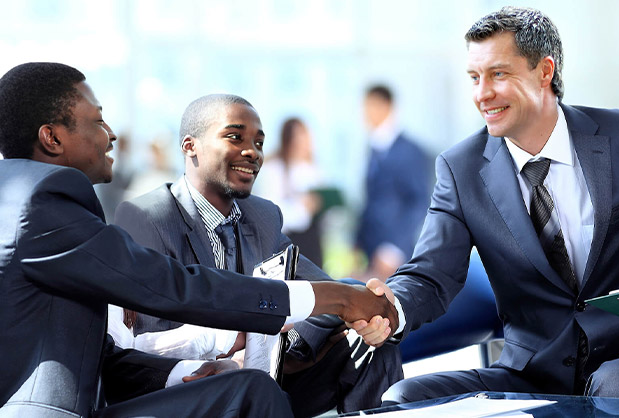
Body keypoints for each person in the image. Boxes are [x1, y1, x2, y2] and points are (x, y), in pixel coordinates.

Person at [356, 6, 619, 404]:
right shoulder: (460, 170)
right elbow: (431, 274)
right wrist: (391, 308)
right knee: (405, 396)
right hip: (528, 371)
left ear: (544, 72)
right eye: (475, 78)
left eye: (498, 74)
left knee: (616, 388)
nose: (482, 94)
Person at [0, 62, 397, 418]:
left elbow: (106, 350)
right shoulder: (46, 202)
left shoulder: (30, 200)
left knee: (341, 358)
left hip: (162, 382)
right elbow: (173, 287)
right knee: (251, 391)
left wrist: (199, 370)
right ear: (51, 138)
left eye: (259, 141)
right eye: (98, 121)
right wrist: (337, 299)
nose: (112, 133)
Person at [113, 95, 402, 416]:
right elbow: (148, 346)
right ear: (189, 146)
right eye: (234, 137)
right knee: (256, 383)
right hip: (193, 389)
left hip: (261, 374)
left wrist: (364, 318)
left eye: (259, 142)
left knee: (371, 343)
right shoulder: (147, 217)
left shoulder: (262, 216)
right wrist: (238, 350)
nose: (252, 151)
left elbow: (319, 290)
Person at [355, 85, 432, 280]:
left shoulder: (410, 151)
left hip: (393, 255)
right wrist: (357, 243)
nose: (365, 113)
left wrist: (394, 249)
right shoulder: (373, 147)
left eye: (370, 106)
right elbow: (371, 200)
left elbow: (419, 202)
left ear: (386, 106)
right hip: (370, 250)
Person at [254, 117, 325, 266]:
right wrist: (302, 207)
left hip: (312, 244)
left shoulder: (313, 170)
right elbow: (271, 212)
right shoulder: (274, 169)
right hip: (286, 244)